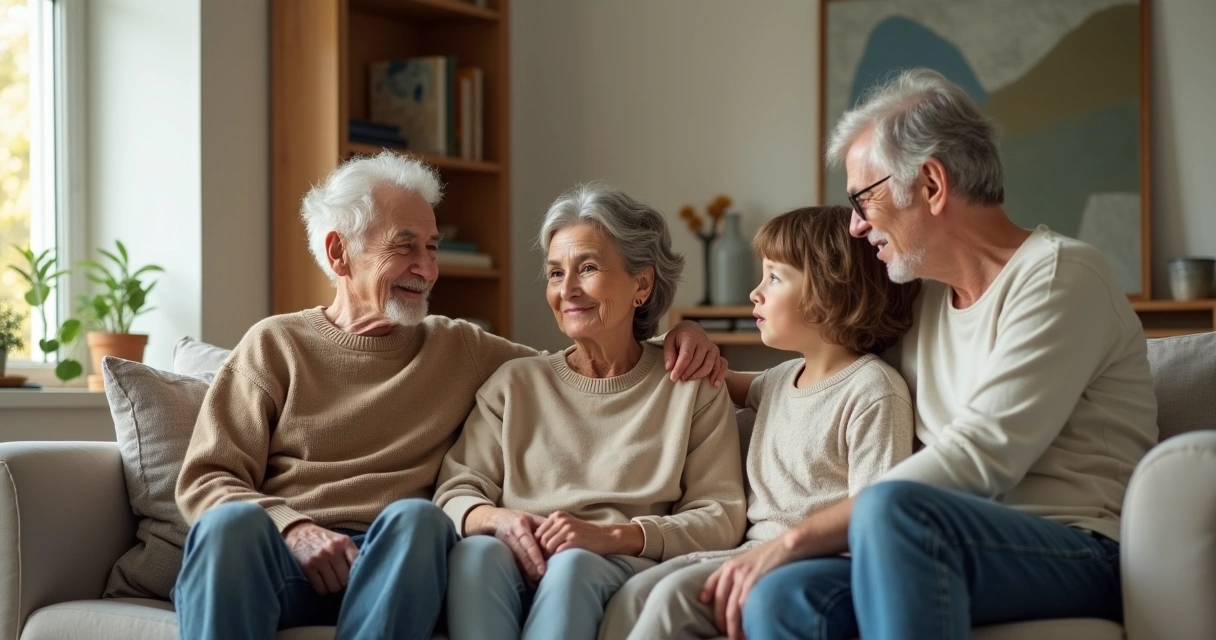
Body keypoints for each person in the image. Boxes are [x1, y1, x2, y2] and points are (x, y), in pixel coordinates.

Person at [172, 153, 726, 640]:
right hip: (286, 558)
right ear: (340, 253)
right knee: (227, 526)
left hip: (396, 560)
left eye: (432, 248)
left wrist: (686, 342)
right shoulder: (276, 344)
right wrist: (295, 529)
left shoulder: (459, 348)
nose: (428, 269)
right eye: (405, 247)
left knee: (419, 519)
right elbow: (205, 479)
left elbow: (585, 365)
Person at [712, 68, 1159, 640]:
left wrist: (790, 541)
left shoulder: (1060, 276)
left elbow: (982, 457)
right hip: (926, 544)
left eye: (861, 199)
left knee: (891, 510)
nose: (854, 225)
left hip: (1076, 550)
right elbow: (832, 373)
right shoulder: (920, 302)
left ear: (930, 184)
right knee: (784, 596)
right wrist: (700, 359)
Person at [433, 183, 748, 640]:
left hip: (611, 562)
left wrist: (616, 536)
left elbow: (719, 514)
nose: (567, 289)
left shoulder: (689, 384)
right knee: (474, 554)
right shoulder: (515, 383)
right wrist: (496, 519)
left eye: (588, 268)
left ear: (642, 283)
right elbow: (456, 489)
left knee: (574, 564)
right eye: (555, 273)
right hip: (517, 555)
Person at [598, 205, 920, 640]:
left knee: (671, 600)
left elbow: (871, 515)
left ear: (830, 289)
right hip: (750, 549)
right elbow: (705, 372)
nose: (755, 293)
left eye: (774, 277)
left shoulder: (872, 391)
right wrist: (685, 334)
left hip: (812, 564)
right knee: (633, 593)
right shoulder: (781, 379)